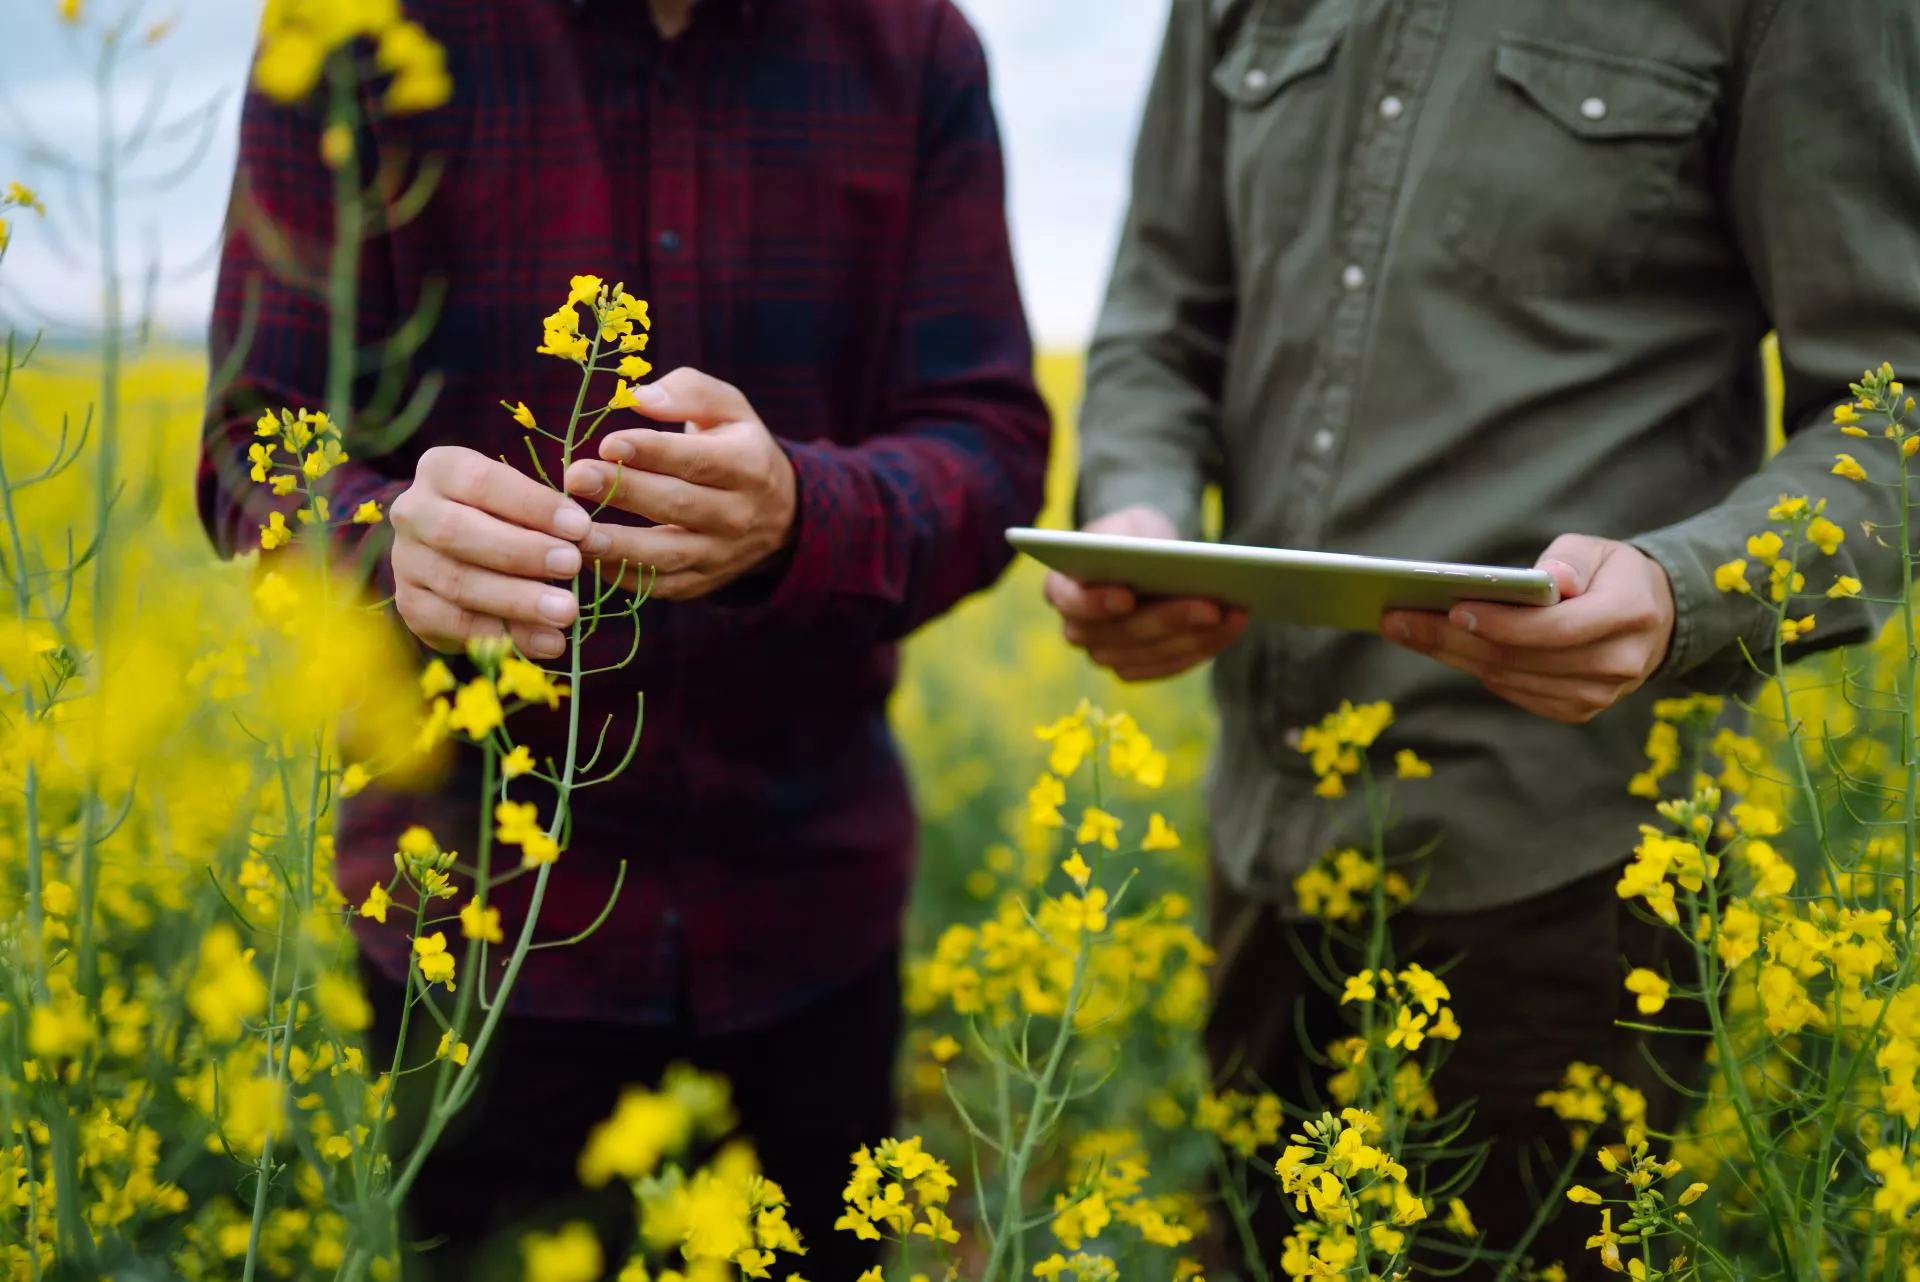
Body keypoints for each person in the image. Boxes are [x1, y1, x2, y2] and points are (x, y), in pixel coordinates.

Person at [1047, 0, 1920, 1275]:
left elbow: (1891, 416)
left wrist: (1685, 590)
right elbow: (1156, 327)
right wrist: (1138, 513)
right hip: (1260, 848)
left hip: (1570, 878)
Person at [197, 0, 1051, 1277]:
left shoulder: (913, 44)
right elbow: (247, 441)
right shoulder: (348, 29)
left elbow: (990, 449)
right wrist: (383, 541)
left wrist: (801, 513)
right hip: (465, 934)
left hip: (807, 925)